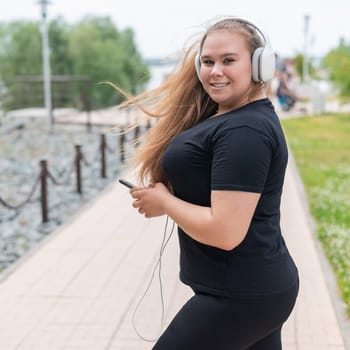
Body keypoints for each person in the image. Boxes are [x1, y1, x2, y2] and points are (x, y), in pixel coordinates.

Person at [119, 16, 299, 350]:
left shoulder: (245, 131)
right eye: (207, 61)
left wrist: (166, 203)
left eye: (229, 60)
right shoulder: (230, 118)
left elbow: (226, 232)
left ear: (260, 65)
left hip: (241, 295)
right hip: (254, 290)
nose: (215, 71)